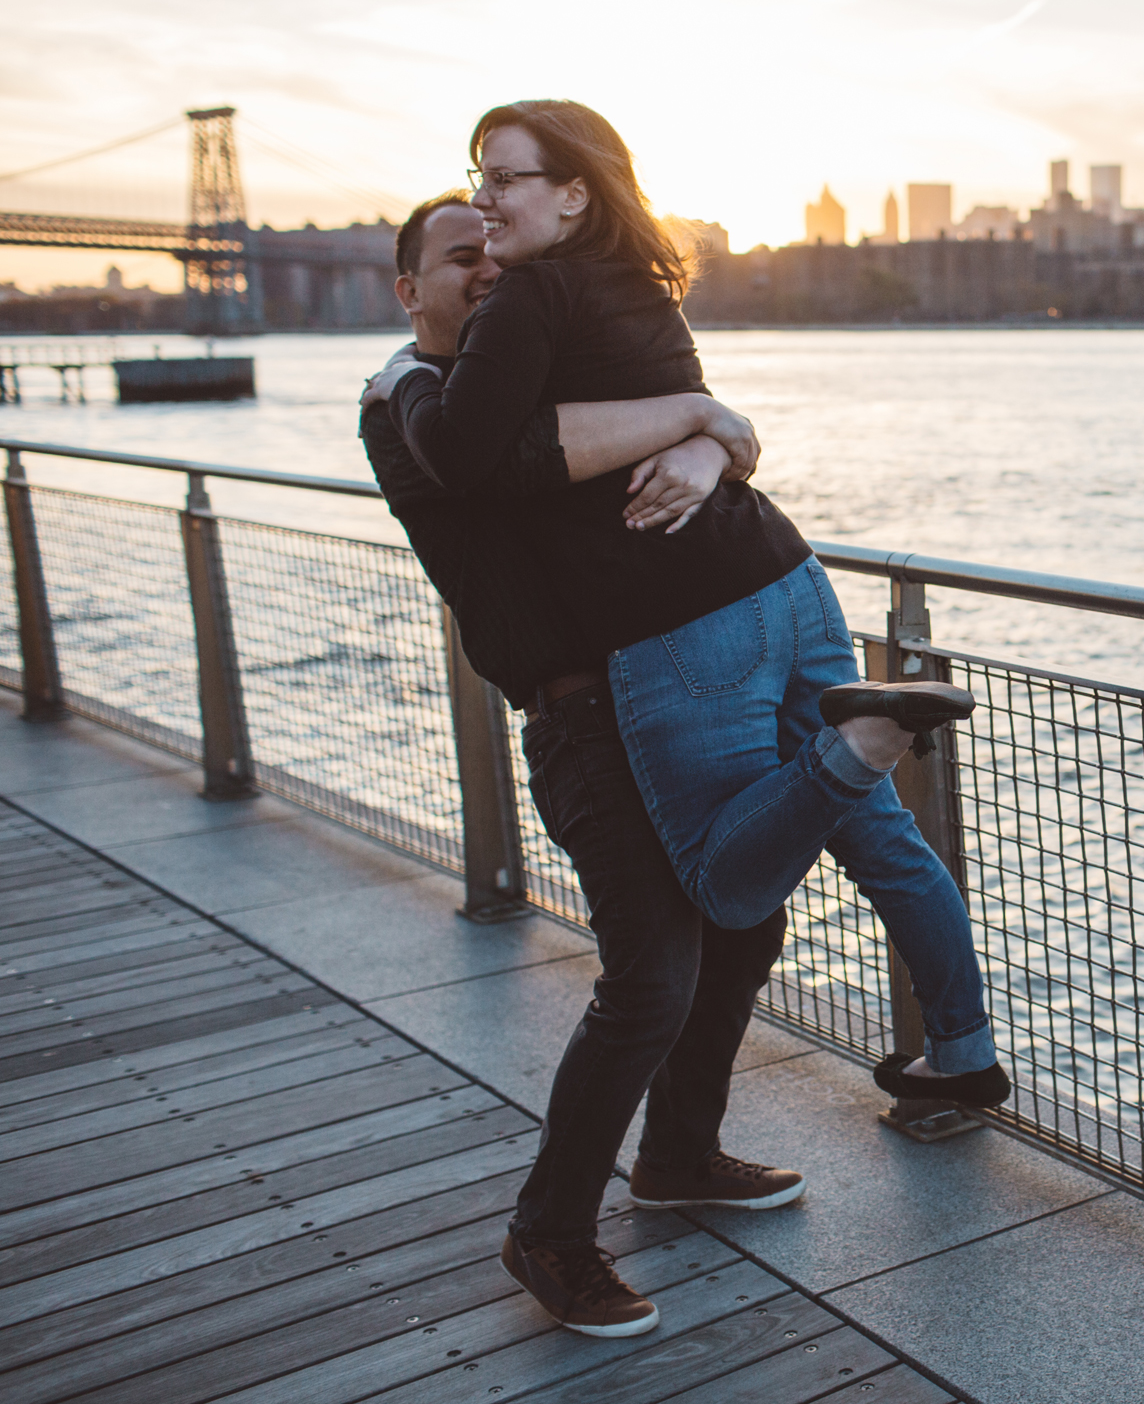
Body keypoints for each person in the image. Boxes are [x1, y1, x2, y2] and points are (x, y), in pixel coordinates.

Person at [365, 101, 1008, 1113]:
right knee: (884, 842)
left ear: (574, 191)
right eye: (477, 175)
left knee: (723, 885)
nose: (485, 197)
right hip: (786, 578)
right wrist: (709, 430)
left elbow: (469, 455)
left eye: (504, 177)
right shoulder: (642, 289)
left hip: (684, 614)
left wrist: (404, 373)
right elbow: (699, 415)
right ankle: (963, 1055)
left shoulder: (526, 298)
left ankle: (863, 739)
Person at [362, 191, 806, 1340]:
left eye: (496, 250)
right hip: (577, 719)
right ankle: (549, 1230)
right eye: (459, 260)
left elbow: (725, 441)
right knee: (650, 974)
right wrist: (695, 417)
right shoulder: (406, 401)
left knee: (748, 923)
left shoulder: (543, 391)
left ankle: (677, 1152)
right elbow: (484, 470)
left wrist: (709, 434)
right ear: (408, 293)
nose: (487, 271)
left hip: (665, 696)